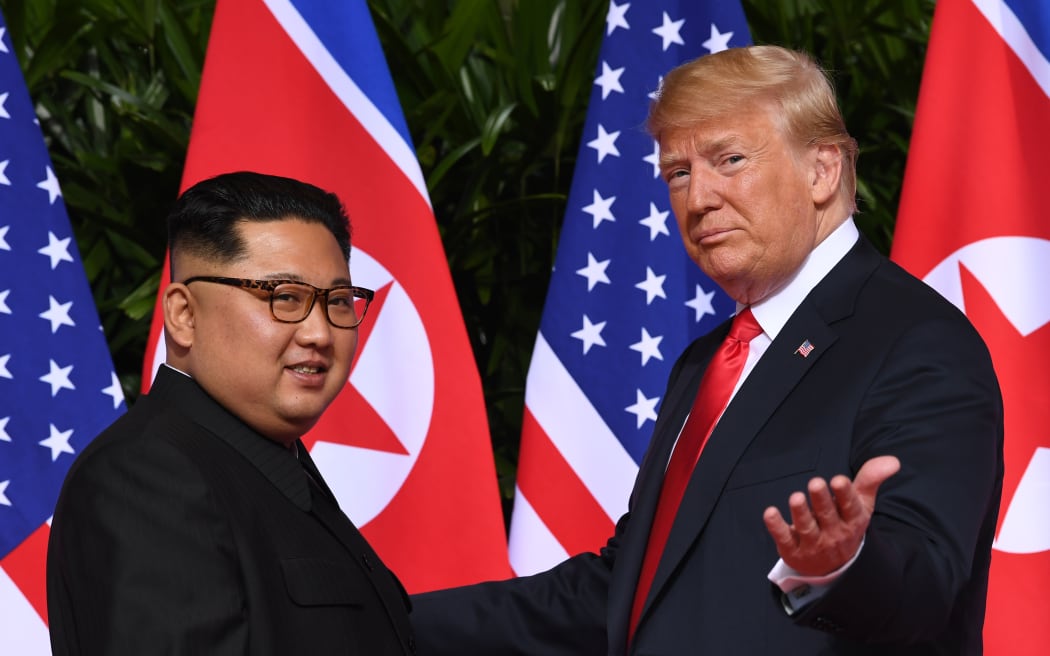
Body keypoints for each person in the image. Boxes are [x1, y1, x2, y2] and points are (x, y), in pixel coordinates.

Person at [410, 45, 1003, 655]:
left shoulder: (917, 342)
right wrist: (382, 622)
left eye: (731, 159)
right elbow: (628, 593)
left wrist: (841, 564)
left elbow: (926, 585)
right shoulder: (706, 362)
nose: (698, 200)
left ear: (823, 170)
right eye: (679, 173)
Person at [47, 171, 415, 655]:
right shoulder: (145, 476)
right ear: (183, 314)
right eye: (285, 297)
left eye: (339, 302)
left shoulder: (264, 461)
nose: (320, 333)